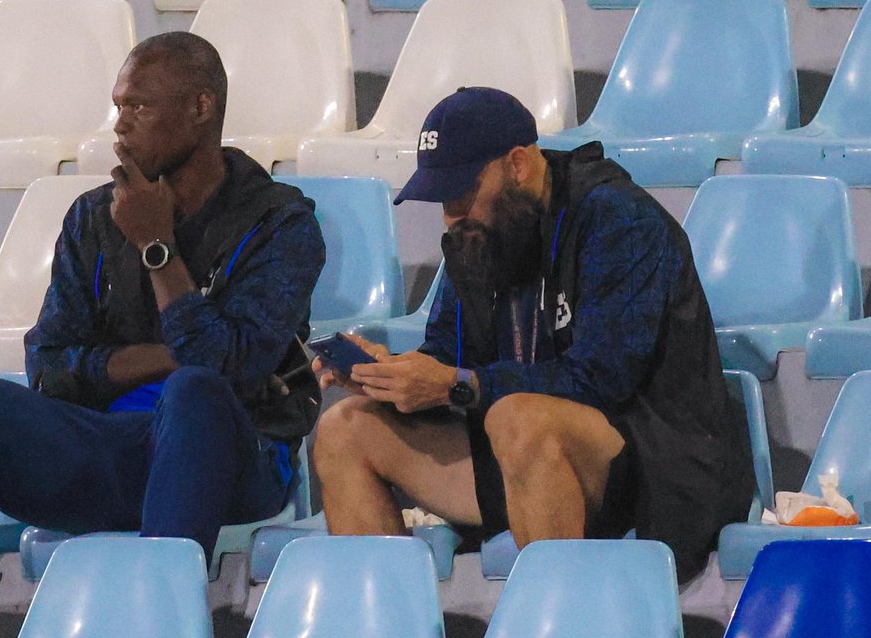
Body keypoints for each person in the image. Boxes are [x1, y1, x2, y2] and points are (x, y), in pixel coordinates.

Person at [0, 32, 326, 635]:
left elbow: (228, 371)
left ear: (200, 108)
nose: (120, 125)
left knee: (195, 395)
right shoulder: (93, 216)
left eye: (139, 108)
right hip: (110, 448)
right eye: (118, 106)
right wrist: (169, 358)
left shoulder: (280, 222)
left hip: (232, 461)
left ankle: (151, 634)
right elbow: (49, 369)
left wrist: (157, 249)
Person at [313, 86, 748, 583]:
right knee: (346, 428)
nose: (451, 216)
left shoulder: (618, 218)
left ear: (518, 164)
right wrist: (391, 377)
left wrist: (459, 385)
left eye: (461, 192)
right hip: (522, 459)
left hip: (656, 468)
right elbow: (450, 356)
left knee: (517, 418)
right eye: (441, 198)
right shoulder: (476, 238)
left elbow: (603, 380)